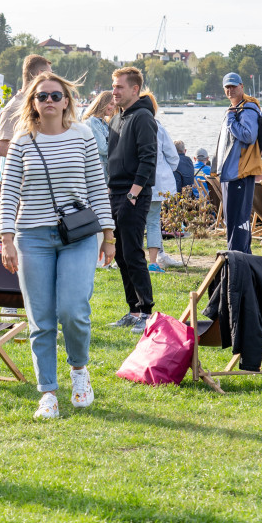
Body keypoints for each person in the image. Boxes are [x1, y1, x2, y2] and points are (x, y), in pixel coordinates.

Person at [0, 71, 115, 420]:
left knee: (73, 310)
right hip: (32, 237)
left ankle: (79, 370)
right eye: (42, 96)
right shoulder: (22, 141)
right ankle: (47, 392)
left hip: (77, 237)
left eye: (56, 96)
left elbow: (97, 188)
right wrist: (6, 239)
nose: (49, 101)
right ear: (32, 103)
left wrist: (109, 236)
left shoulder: (82, 136)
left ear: (68, 101)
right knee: (41, 319)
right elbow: (9, 193)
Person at [106, 67, 157, 334]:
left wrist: (132, 194)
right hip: (114, 192)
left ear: (135, 89)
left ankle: (146, 312)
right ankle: (133, 309)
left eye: (119, 87)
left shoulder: (144, 118)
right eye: (113, 86)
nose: (114, 91)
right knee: (122, 256)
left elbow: (149, 159)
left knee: (134, 253)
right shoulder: (116, 119)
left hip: (133, 193)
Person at [214, 72, 262, 253]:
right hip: (232, 173)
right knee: (233, 218)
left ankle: (238, 256)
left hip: (240, 172)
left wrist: (230, 119)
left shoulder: (247, 109)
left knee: (239, 219)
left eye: (234, 86)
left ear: (242, 86)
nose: (230, 90)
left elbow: (249, 136)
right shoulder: (235, 109)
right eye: (227, 87)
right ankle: (239, 255)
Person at [0, 55, 52, 200]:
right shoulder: (13, 107)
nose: (52, 79)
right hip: (23, 189)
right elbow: (2, 148)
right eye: (50, 74)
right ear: (40, 75)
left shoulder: (43, 103)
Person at [140, 92, 180, 272]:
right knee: (153, 221)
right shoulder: (158, 127)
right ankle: (154, 261)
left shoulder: (131, 125)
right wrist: (165, 169)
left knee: (136, 222)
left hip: (137, 181)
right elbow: (173, 156)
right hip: (156, 183)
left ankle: (136, 257)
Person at [81, 91, 113, 183]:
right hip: (97, 173)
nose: (112, 108)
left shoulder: (104, 123)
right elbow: (102, 148)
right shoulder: (93, 122)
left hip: (104, 172)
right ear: (103, 103)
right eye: (111, 104)